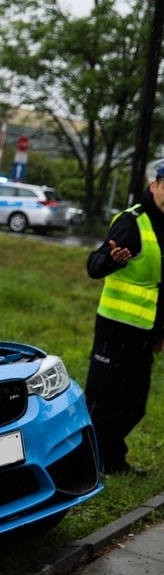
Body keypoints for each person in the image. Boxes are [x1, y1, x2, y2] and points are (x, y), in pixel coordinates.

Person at [84, 161, 164, 475]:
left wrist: (160, 332)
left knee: (134, 406)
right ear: (154, 185)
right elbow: (94, 265)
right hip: (116, 330)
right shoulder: (132, 222)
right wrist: (112, 260)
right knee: (102, 402)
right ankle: (90, 463)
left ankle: (112, 460)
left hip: (144, 332)